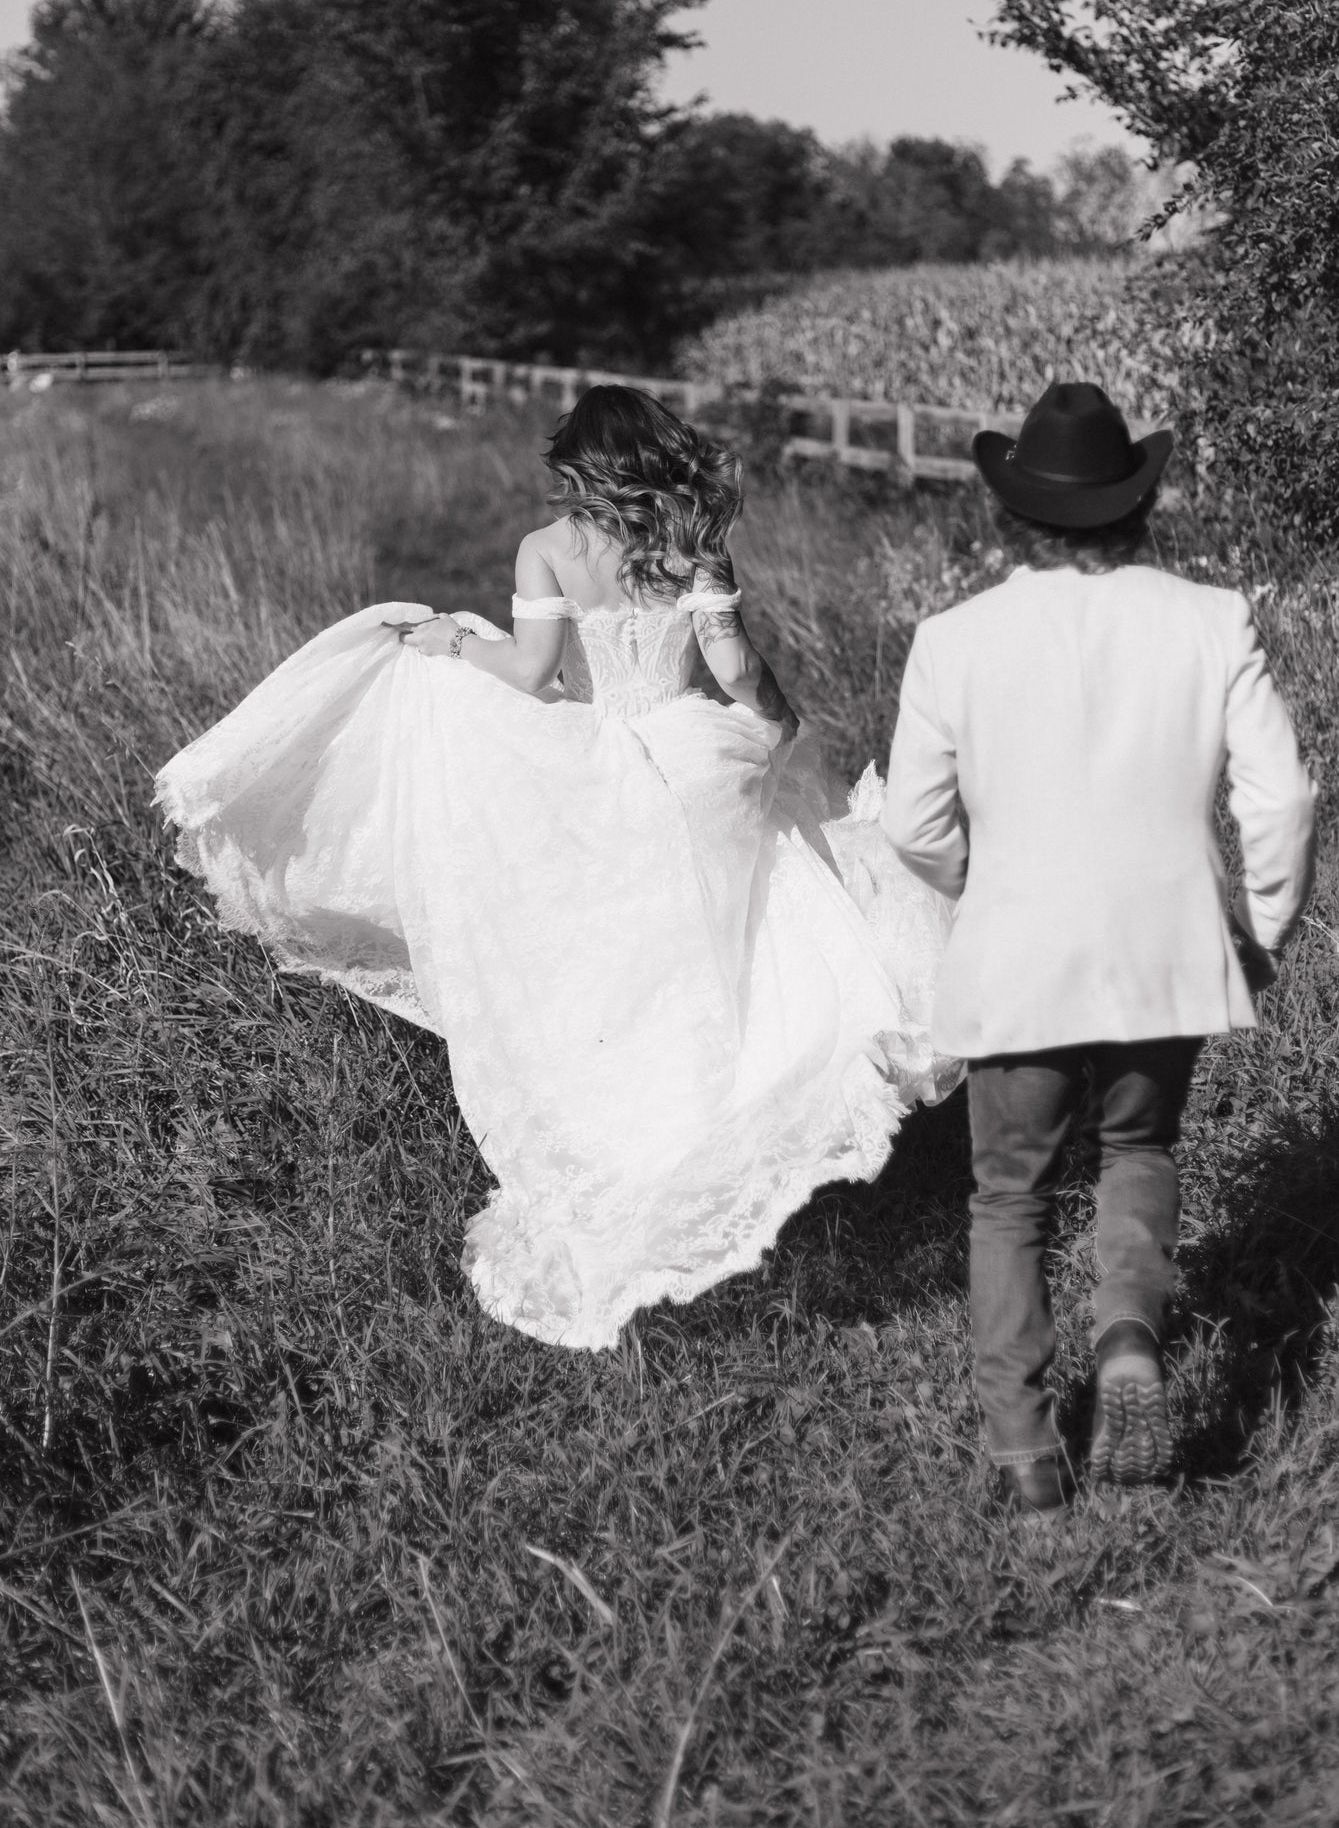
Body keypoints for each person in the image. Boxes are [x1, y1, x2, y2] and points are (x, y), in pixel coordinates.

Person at [156, 384, 955, 1350]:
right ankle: (756, 1097)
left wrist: (450, 641)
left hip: (608, 755)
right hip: (698, 755)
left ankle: (645, 1130)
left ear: (581, 465)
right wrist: (774, 720)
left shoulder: (548, 547)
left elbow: (533, 674)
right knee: (750, 927)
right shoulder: (689, 539)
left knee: (620, 956)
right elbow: (734, 666)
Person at [882, 381, 1317, 1514]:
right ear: (1135, 500)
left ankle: (1024, 1449)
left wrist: (984, 890)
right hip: (1161, 942)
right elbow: (1279, 800)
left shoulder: (951, 639)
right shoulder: (1209, 615)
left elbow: (912, 826)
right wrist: (1258, 928)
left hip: (1016, 943)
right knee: (1139, 1146)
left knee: (1008, 1198)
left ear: (1013, 511)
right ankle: (1125, 1335)